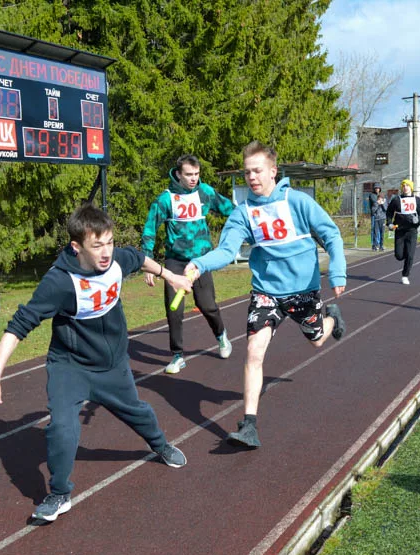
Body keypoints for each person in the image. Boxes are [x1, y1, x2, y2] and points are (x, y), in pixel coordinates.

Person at [0, 204, 193, 522]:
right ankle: (60, 493)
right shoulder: (59, 282)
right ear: (77, 247)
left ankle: (159, 445)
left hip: (113, 363)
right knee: (62, 427)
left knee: (138, 412)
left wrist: (170, 275)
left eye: (109, 242)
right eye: (97, 246)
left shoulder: (117, 259)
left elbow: (139, 257)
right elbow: (19, 325)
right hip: (69, 365)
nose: (106, 253)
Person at [184, 141, 347, 448]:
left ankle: (331, 320)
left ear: (273, 171)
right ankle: (249, 426)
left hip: (302, 291)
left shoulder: (297, 202)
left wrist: (337, 272)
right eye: (247, 172)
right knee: (253, 351)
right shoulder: (243, 214)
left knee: (317, 340)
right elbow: (225, 251)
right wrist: (197, 265)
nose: (252, 177)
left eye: (257, 171)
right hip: (266, 293)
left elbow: (331, 235)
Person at [141, 154, 235, 374]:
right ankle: (177, 356)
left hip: (201, 261)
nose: (194, 179)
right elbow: (149, 230)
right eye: (189, 175)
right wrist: (148, 262)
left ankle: (221, 336)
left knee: (207, 305)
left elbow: (231, 210)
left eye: (197, 174)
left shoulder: (206, 192)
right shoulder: (165, 199)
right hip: (175, 261)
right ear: (178, 174)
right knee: (174, 310)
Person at [386, 178, 420, 285]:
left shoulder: (417, 200)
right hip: (399, 230)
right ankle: (403, 255)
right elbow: (389, 213)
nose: (405, 187)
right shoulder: (396, 199)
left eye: (407, 185)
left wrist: (418, 220)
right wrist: (389, 223)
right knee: (399, 256)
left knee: (410, 255)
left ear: (411, 187)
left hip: (412, 231)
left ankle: (405, 275)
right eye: (403, 185)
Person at [369, 184, 386, 251]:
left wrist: (382, 202)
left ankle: (379, 244)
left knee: (380, 232)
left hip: (381, 216)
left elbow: (385, 205)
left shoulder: (381, 195)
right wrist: (379, 201)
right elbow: (375, 202)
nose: (377, 189)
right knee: (374, 230)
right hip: (374, 215)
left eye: (378, 188)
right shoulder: (372, 195)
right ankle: (374, 244)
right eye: (375, 188)